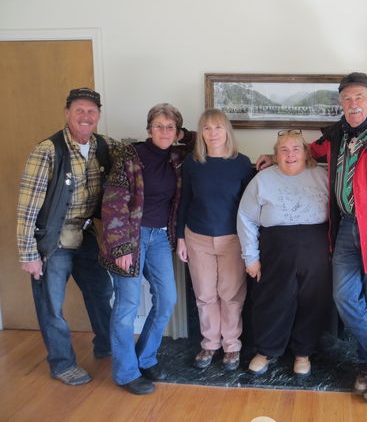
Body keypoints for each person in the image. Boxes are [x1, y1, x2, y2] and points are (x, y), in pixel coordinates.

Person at [258, 72, 367, 402]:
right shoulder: (337, 136)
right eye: (346, 98)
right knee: (345, 299)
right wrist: (275, 157)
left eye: (359, 97)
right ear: (341, 104)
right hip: (345, 228)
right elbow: (306, 152)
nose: (353, 103)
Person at [16, 88, 119, 386]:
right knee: (51, 305)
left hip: (86, 234)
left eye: (91, 111)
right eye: (79, 111)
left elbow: (137, 153)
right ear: (67, 113)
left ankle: (107, 346)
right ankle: (61, 364)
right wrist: (28, 254)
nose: (86, 116)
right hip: (53, 239)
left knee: (101, 293)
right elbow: (27, 207)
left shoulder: (105, 146)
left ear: (98, 115)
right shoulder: (47, 151)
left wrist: (183, 139)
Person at [99, 103, 194, 395]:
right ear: (148, 129)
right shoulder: (130, 156)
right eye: (158, 125)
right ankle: (126, 372)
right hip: (130, 236)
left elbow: (195, 140)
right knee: (127, 305)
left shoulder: (177, 157)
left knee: (166, 300)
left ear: (177, 132)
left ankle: (145, 358)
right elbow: (113, 203)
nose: (164, 131)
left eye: (170, 127)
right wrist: (121, 246)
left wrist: (183, 134)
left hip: (160, 238)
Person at [239, 130, 331, 378]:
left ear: (305, 152)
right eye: (284, 150)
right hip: (274, 252)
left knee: (312, 303)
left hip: (317, 252)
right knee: (271, 302)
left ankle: (303, 353)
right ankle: (266, 350)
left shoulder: (322, 176)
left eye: (296, 149)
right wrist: (251, 257)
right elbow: (245, 218)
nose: (291, 154)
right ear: (275, 154)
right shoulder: (262, 179)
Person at [176, 109, 254, 371]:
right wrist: (180, 238)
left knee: (231, 296)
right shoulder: (192, 163)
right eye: (207, 128)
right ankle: (210, 344)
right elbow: (184, 201)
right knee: (205, 295)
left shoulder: (242, 163)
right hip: (197, 237)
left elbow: (249, 209)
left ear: (227, 131)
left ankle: (232, 345)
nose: (213, 133)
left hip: (232, 239)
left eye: (218, 127)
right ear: (202, 133)